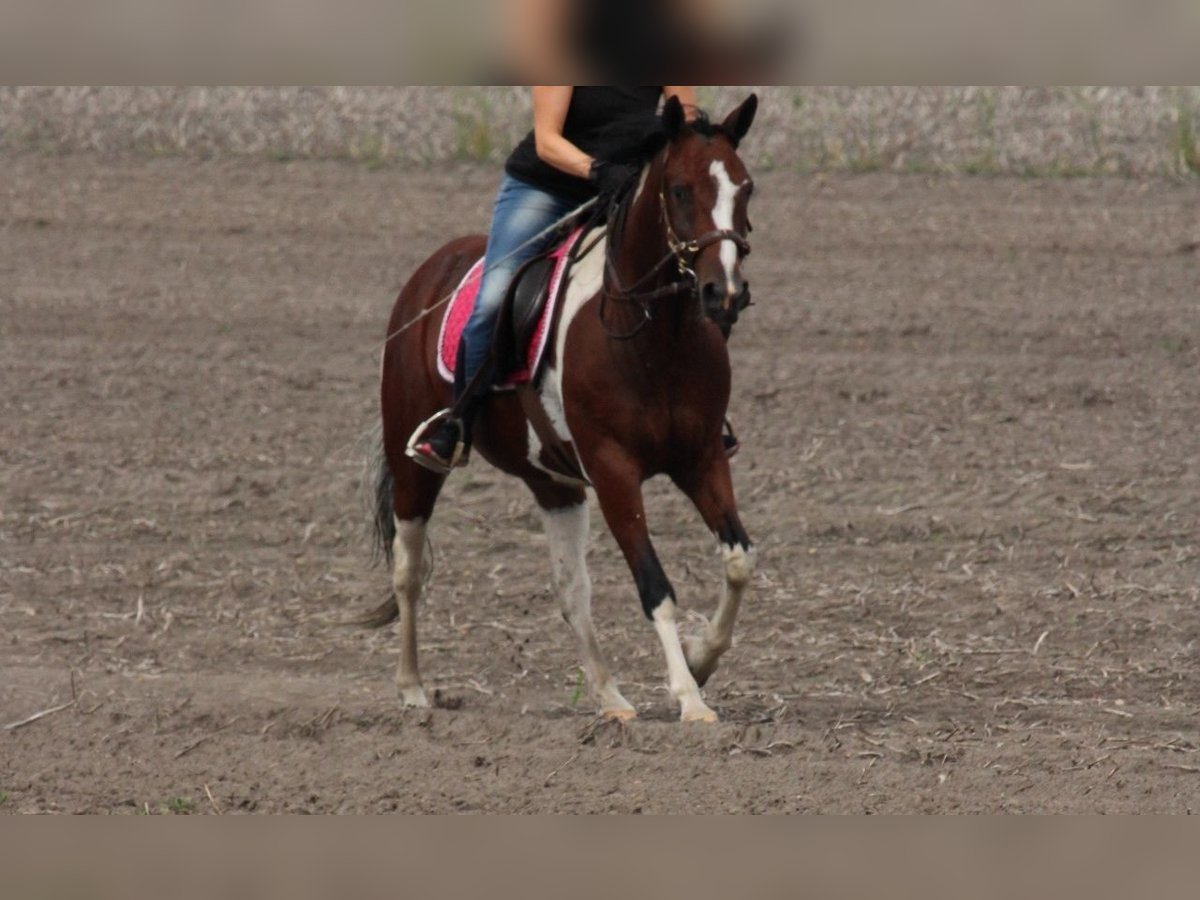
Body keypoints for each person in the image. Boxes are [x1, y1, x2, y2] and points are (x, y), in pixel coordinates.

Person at [409, 86, 698, 473]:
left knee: (691, 280)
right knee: (494, 297)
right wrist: (599, 170)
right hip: (548, 189)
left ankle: (703, 415)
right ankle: (457, 423)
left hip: (626, 189)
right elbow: (548, 142)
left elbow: (688, 131)